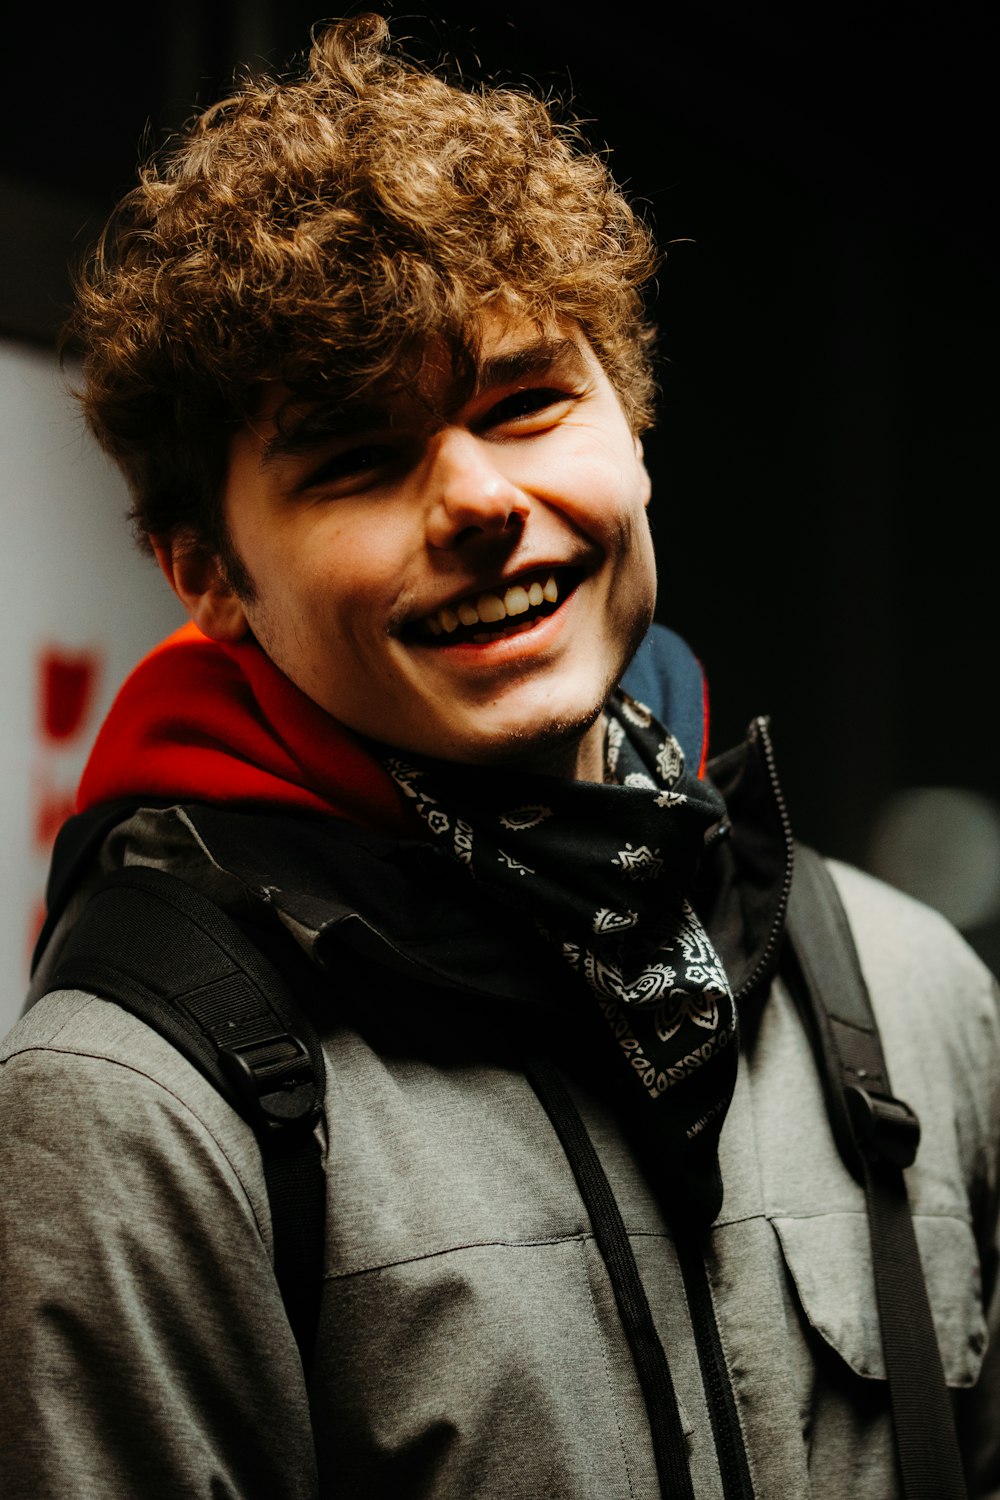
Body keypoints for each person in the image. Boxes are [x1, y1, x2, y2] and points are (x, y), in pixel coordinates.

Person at [1, 13, 997, 1498]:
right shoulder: (136, 1106)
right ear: (207, 573)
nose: (475, 500)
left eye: (526, 399)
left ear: (632, 419)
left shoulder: (913, 995)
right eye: (355, 459)